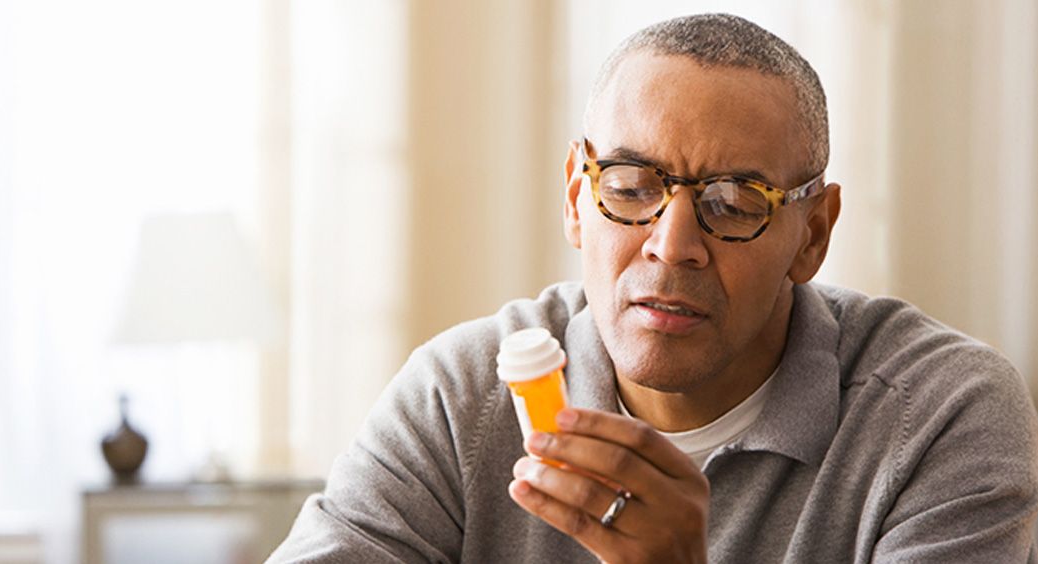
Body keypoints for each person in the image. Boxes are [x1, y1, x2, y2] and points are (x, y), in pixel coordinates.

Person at [268, 13, 1038, 563]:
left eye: (734, 203)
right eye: (631, 187)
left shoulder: (940, 415)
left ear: (812, 233)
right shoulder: (463, 395)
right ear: (575, 197)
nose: (672, 247)